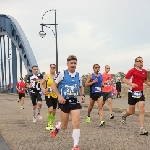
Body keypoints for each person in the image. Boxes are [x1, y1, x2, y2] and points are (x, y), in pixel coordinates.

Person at [51, 55, 85, 150]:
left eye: (75, 63)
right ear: (67, 64)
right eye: (71, 63)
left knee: (76, 122)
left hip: (74, 102)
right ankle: (58, 125)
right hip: (64, 102)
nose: (73, 65)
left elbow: (81, 86)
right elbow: (53, 85)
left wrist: (82, 95)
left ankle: (75, 145)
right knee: (64, 126)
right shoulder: (62, 73)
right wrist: (59, 96)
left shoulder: (79, 75)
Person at [122, 56, 150, 135]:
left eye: (142, 61)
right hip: (132, 92)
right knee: (131, 111)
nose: (141, 63)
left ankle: (142, 128)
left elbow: (146, 81)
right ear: (135, 63)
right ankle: (124, 115)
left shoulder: (145, 71)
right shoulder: (132, 71)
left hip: (140, 92)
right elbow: (124, 79)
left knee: (142, 108)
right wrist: (131, 84)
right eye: (139, 61)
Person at [40, 64, 58, 130]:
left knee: (54, 110)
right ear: (49, 68)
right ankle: (48, 123)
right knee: (50, 108)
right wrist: (43, 89)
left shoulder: (57, 76)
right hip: (48, 95)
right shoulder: (46, 76)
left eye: (54, 68)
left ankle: (51, 123)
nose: (52, 69)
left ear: (55, 68)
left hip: (55, 95)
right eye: (51, 67)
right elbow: (41, 83)